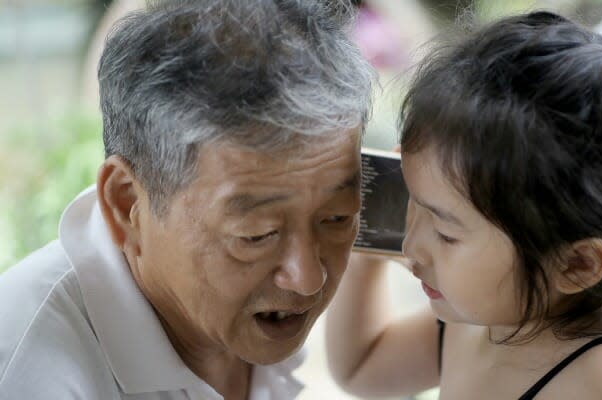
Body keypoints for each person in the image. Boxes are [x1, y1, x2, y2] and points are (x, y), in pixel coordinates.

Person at [326, 11, 602, 400]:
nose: (410, 247)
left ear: (577, 264)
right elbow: (364, 366)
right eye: (413, 200)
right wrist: (367, 253)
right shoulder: (486, 309)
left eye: (446, 233)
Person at [0, 1, 374, 399]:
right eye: (257, 235)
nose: (308, 279)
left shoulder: (239, 319)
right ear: (128, 204)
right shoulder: (31, 372)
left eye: (337, 218)